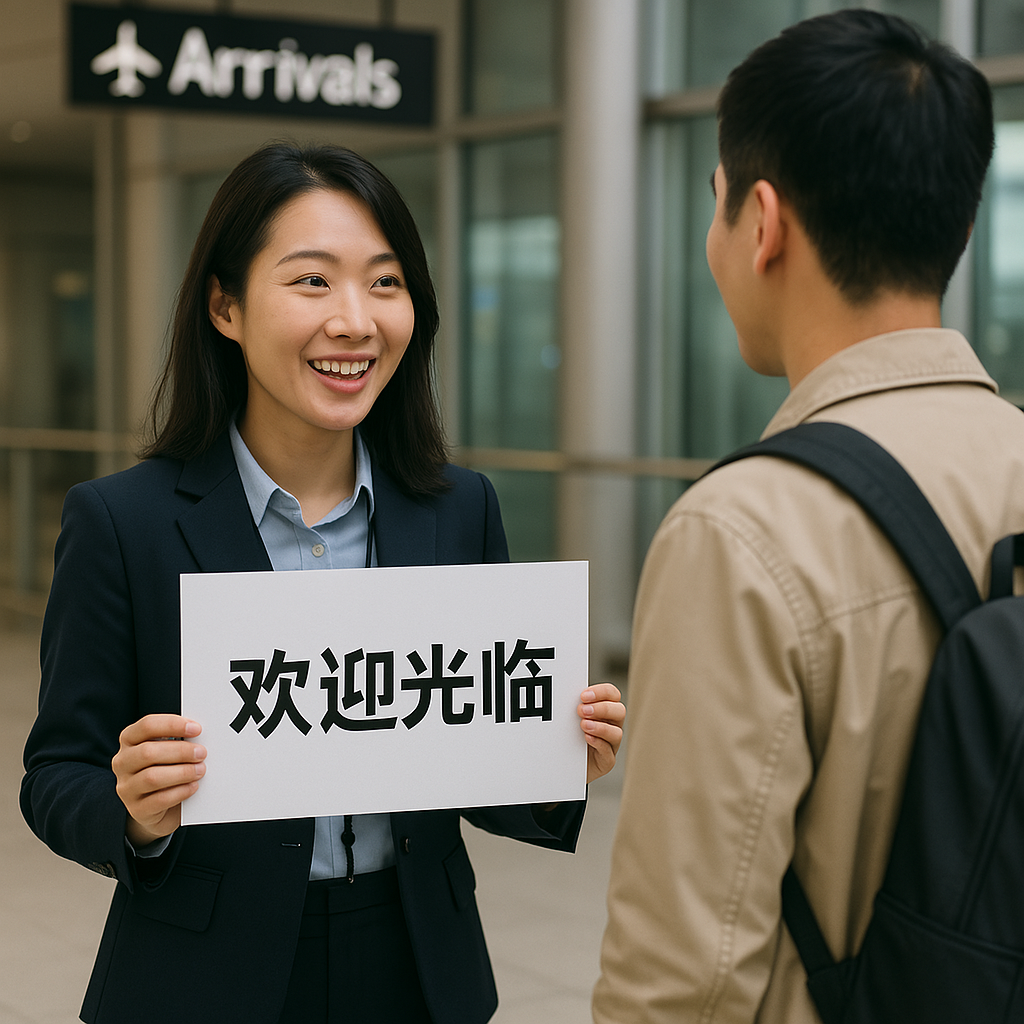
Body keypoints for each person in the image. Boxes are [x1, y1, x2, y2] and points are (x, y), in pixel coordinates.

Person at [20, 141, 624, 1024]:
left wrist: (554, 756)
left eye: (385, 283)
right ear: (224, 305)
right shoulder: (124, 523)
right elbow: (54, 774)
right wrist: (132, 810)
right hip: (206, 975)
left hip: (418, 963)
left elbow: (461, 757)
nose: (356, 321)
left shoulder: (458, 510)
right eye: (312, 282)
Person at [593, 11, 1024, 1024]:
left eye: (715, 204)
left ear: (762, 223)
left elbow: (683, 977)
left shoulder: (742, 529)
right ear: (958, 230)